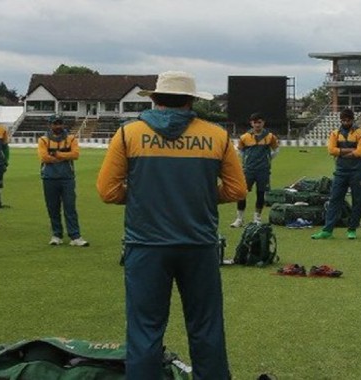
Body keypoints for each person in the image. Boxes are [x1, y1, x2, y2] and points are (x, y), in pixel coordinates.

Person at [96, 71, 247, 380]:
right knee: (206, 326)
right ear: (191, 101)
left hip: (146, 245)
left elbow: (107, 191)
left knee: (144, 329)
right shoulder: (216, 135)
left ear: (154, 98)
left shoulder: (129, 133)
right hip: (199, 245)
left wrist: (146, 196)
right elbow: (236, 190)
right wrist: (198, 195)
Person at [312, 108, 361, 240]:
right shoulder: (335, 133)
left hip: (357, 171)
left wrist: (340, 151)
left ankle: (352, 229)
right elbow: (331, 150)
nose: (346, 122)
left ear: (352, 119)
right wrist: (350, 151)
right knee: (334, 199)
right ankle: (327, 230)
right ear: (340, 120)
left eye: (348, 120)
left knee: (357, 200)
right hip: (341, 171)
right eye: (343, 120)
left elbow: (360, 152)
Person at [38, 116, 89, 246]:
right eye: (55, 124)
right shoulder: (43, 140)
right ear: (50, 125)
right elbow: (44, 157)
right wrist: (64, 156)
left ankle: (75, 236)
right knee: (53, 208)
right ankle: (56, 235)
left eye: (60, 124)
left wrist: (57, 155)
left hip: (67, 178)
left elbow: (75, 154)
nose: (58, 126)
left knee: (70, 207)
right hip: (49, 178)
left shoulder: (71, 139)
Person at [230, 112, 279, 227]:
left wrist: (268, 160)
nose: (257, 125)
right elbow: (239, 150)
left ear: (263, 123)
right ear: (251, 123)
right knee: (242, 193)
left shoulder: (270, 136)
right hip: (248, 169)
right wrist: (247, 160)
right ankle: (239, 219)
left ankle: (257, 218)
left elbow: (276, 150)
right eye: (255, 122)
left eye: (259, 122)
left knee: (261, 193)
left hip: (263, 170)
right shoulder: (244, 137)